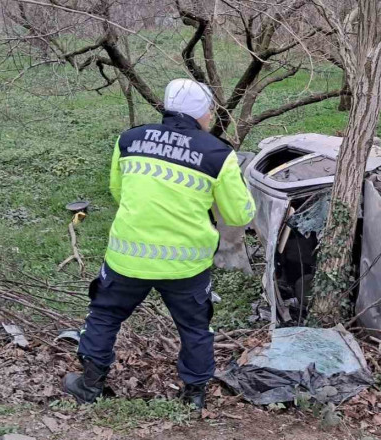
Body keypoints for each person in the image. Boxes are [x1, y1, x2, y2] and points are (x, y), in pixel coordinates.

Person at [62, 79, 256, 409]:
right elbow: (240, 214)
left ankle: (90, 385)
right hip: (186, 265)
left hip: (126, 257)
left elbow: (118, 191)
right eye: (209, 110)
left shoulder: (130, 139)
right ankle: (194, 396)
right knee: (195, 326)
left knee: (104, 315)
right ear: (202, 114)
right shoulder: (218, 153)